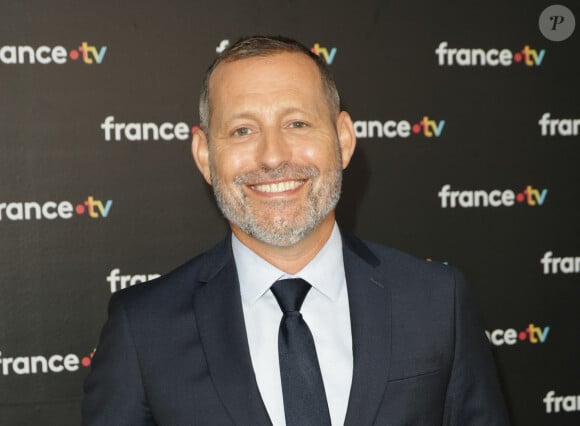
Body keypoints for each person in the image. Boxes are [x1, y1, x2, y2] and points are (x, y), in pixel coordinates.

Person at [82, 35, 510, 425]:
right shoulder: (142, 329)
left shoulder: (437, 301)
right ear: (204, 155)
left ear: (343, 139)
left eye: (297, 124)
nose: (272, 156)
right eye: (242, 130)